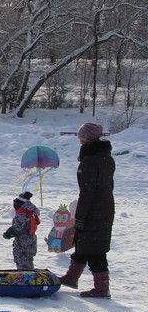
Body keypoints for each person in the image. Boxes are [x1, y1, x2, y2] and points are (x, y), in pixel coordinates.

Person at [58, 123, 115, 298]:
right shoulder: (106, 157)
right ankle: (71, 277)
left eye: (81, 136)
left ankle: (101, 289)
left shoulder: (90, 160)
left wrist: (80, 217)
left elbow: (87, 192)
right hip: (105, 207)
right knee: (85, 243)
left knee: (95, 250)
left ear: (87, 138)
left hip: (93, 210)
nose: (79, 139)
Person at [3, 191, 40, 270]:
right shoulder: (29, 212)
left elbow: (18, 227)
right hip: (29, 240)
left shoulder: (22, 214)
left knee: (22, 258)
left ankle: (25, 276)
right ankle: (28, 273)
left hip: (23, 241)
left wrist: (8, 233)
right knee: (27, 258)